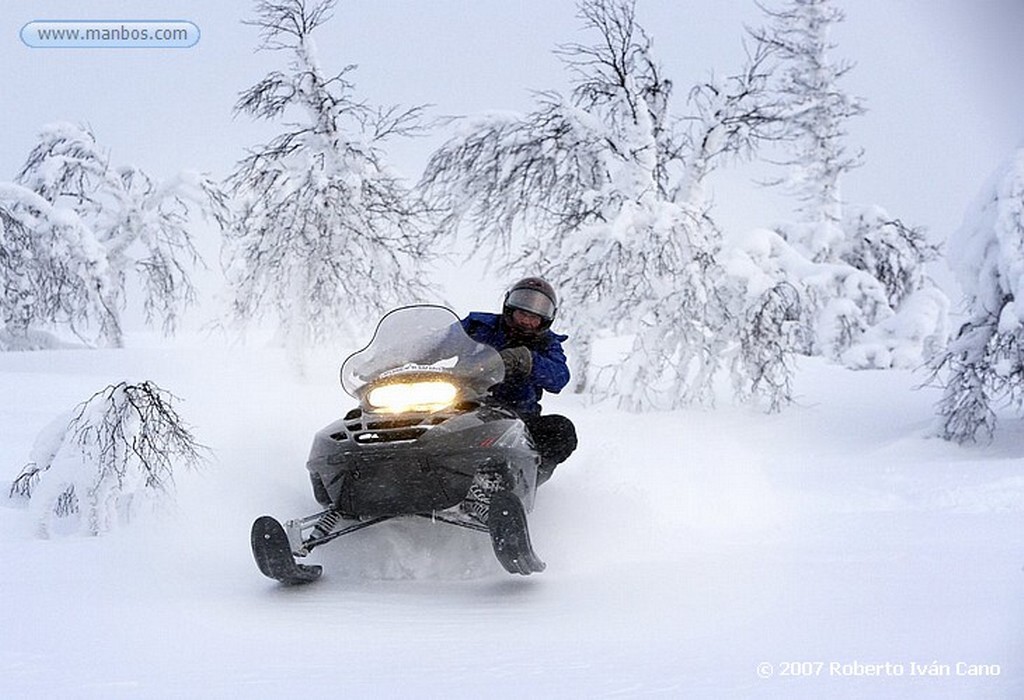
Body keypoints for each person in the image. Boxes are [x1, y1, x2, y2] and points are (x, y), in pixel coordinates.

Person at [461, 277, 578, 485]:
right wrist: (400, 358)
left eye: (534, 317)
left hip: (517, 418)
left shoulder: (547, 343)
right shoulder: (479, 326)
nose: (527, 321)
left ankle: (523, 482)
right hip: (464, 405)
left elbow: (559, 377)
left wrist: (527, 360)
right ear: (510, 309)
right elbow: (437, 342)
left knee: (561, 431)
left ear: (545, 321)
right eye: (523, 313)